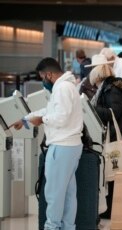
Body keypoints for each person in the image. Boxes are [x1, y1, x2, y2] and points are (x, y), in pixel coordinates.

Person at [12, 57, 83, 230]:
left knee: (54, 193)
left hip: (62, 146)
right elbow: (51, 110)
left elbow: (60, 117)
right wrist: (26, 119)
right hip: (71, 146)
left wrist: (40, 120)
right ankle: (67, 227)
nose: (43, 80)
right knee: (67, 193)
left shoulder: (62, 88)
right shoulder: (67, 86)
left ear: (49, 74)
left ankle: (52, 227)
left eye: (42, 76)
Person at [88, 57, 122, 219]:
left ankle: (113, 210)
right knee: (115, 174)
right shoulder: (112, 86)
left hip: (119, 136)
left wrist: (93, 109)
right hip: (121, 135)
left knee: (115, 173)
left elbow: (112, 113)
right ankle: (113, 209)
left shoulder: (111, 88)